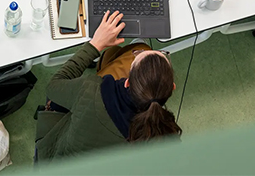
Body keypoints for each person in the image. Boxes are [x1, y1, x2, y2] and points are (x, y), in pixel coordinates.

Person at [34, 11, 181, 162]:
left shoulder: (90, 90)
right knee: (114, 54)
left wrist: (95, 44)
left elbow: (53, 87)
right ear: (172, 88)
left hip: (51, 160)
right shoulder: (167, 137)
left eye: (136, 55)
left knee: (114, 55)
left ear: (127, 82)